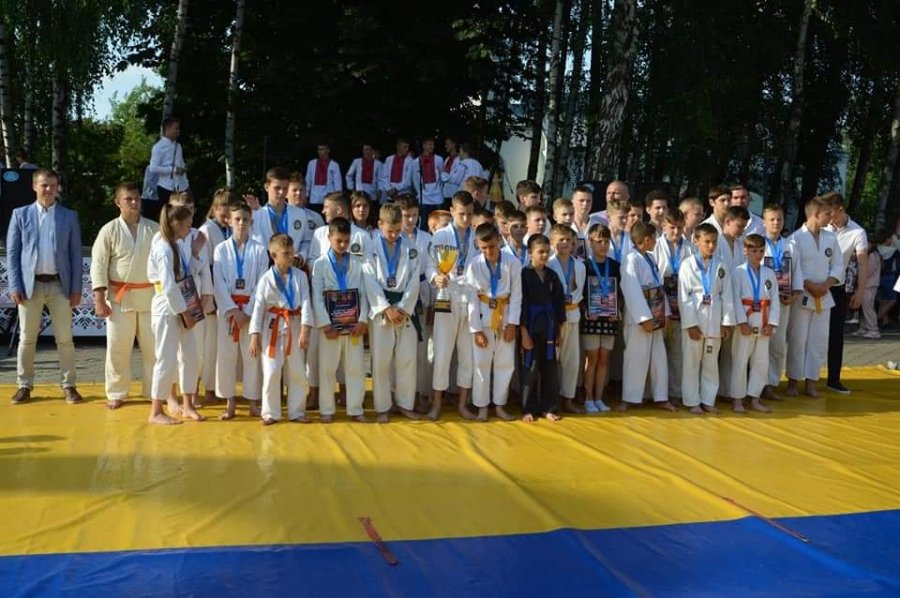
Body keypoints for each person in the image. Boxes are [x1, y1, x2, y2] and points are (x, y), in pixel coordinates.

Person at [7, 169, 83, 405]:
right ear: (34, 187)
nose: (49, 189)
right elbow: (12, 254)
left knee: (65, 339)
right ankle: (24, 385)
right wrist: (15, 285)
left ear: (58, 187)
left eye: (52, 185)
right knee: (27, 339)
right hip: (30, 286)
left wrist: (76, 289)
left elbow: (75, 255)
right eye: (44, 185)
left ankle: (69, 385)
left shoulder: (69, 216)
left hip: (60, 285)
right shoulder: (20, 215)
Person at [90, 182, 156, 409]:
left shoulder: (154, 229)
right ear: (118, 202)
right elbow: (99, 265)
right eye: (128, 199)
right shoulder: (109, 230)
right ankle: (117, 392)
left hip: (150, 296)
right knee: (118, 348)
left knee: (154, 349)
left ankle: (154, 391)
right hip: (119, 297)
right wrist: (99, 298)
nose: (134, 202)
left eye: (137, 198)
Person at [146, 204, 205, 424]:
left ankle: (188, 404)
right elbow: (169, 286)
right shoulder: (163, 248)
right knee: (166, 358)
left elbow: (187, 272)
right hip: (167, 306)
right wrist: (184, 313)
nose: (190, 229)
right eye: (187, 225)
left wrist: (196, 253)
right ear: (176, 224)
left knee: (190, 355)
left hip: (183, 300)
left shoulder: (177, 245)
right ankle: (156, 411)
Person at [363, 203, 421, 422]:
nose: (395, 235)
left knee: (407, 359)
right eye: (390, 231)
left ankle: (405, 404)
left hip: (405, 310)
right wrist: (386, 308)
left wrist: (404, 308)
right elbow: (368, 278)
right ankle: (383, 407)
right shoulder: (370, 248)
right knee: (381, 361)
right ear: (380, 224)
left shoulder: (410, 247)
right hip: (382, 312)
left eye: (398, 230)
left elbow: (414, 280)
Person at [249, 233, 314, 424]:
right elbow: (258, 308)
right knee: (271, 370)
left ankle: (297, 411)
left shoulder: (300, 276)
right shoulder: (265, 279)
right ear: (273, 255)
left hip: (294, 324)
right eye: (286, 253)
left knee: (297, 371)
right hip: (273, 326)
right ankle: (270, 413)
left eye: (292, 253)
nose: (291, 257)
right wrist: (254, 335)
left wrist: (305, 330)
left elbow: (306, 303)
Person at [214, 202, 269, 420]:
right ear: (228, 220)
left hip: (250, 312)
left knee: (252, 356)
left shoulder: (259, 250)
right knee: (226, 356)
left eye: (245, 219)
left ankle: (253, 403)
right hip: (228, 313)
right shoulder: (220, 249)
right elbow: (218, 282)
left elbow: (262, 284)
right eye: (237, 219)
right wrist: (232, 310)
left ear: (251, 222)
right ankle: (229, 404)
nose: (241, 223)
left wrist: (248, 312)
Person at [427, 191, 478, 420]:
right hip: (446, 295)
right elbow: (429, 265)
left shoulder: (477, 236)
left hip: (470, 298)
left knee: (467, 355)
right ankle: (436, 403)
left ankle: (462, 404)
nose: (465, 219)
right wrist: (434, 277)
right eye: (461, 214)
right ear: (451, 211)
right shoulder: (441, 236)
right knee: (442, 352)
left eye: (469, 214)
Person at [312, 217, 369, 422]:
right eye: (339, 241)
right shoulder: (319, 264)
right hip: (331, 326)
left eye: (346, 241)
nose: (343, 245)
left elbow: (363, 293)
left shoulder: (357, 262)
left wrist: (363, 319)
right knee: (327, 368)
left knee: (355, 368)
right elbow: (317, 296)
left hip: (353, 324)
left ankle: (356, 409)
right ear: (329, 237)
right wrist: (325, 324)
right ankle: (327, 409)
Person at [786, 197, 843, 398]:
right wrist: (809, 285)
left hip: (824, 295)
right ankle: (793, 382)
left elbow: (838, 265)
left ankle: (811, 382)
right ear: (815, 215)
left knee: (818, 341)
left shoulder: (831, 238)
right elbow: (794, 268)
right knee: (797, 340)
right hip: (803, 294)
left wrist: (826, 285)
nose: (831, 216)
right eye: (827, 213)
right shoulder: (795, 239)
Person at [466, 223, 522, 421]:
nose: (488, 251)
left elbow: (517, 295)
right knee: (481, 364)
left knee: (505, 364)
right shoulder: (474, 265)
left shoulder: (513, 263)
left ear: (499, 240)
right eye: (483, 247)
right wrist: (476, 330)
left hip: (505, 316)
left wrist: (512, 324)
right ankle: (482, 407)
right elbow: (471, 299)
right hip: (483, 316)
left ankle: (499, 406)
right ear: (477, 245)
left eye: (492, 246)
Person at [678, 223, 735, 414]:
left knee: (711, 362)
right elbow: (684, 297)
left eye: (714, 242)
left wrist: (727, 322)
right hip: (695, 317)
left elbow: (727, 295)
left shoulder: (721, 265)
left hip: (714, 319)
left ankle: (708, 399)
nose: (711, 246)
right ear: (696, 241)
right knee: (691, 362)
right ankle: (692, 401)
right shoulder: (687, 265)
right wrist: (690, 324)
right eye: (707, 242)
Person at [619, 221, 674, 411]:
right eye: (654, 238)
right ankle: (630, 398)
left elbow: (658, 286)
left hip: (656, 311)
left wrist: (665, 313)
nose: (656, 242)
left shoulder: (650, 258)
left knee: (659, 358)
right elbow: (631, 289)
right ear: (647, 239)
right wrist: (644, 318)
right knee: (635, 357)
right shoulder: (630, 259)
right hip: (639, 318)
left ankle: (661, 397)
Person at [822, 192, 867, 394]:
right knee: (810, 335)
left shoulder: (857, 232)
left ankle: (833, 379)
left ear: (841, 209)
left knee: (836, 335)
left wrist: (860, 291)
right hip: (814, 286)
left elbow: (863, 263)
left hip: (837, 289)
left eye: (830, 212)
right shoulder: (822, 226)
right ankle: (803, 378)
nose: (828, 216)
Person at [730, 234, 779, 413]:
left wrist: (772, 323)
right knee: (740, 361)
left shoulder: (769, 273)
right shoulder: (738, 273)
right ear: (745, 251)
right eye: (754, 251)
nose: (758, 255)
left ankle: (755, 398)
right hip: (746, 320)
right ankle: (737, 399)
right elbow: (735, 300)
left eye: (761, 251)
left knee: (761, 362)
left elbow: (775, 300)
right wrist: (741, 322)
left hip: (764, 320)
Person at [519, 234, 565, 422]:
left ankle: (548, 407)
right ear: (530, 253)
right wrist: (523, 332)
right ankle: (528, 408)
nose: (544, 255)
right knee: (530, 369)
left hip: (549, 327)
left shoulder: (552, 276)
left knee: (550, 370)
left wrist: (559, 330)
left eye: (547, 252)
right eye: (540, 252)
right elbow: (521, 304)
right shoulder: (523, 275)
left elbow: (559, 304)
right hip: (530, 327)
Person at [761, 203, 803, 400]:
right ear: (764, 222)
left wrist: (795, 294)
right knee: (761, 345)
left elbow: (797, 272)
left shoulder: (790, 246)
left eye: (779, 219)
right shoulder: (756, 244)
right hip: (762, 303)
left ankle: (771, 383)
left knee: (777, 345)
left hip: (783, 302)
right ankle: (758, 385)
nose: (776, 223)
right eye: (772, 219)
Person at [653, 208, 693, 403]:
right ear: (663, 226)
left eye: (679, 227)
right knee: (658, 352)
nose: (676, 231)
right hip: (660, 305)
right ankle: (655, 393)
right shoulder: (655, 247)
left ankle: (675, 393)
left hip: (682, 306)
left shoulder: (691, 249)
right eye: (672, 227)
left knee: (678, 352)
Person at [197, 189, 234, 404]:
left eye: (230, 209)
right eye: (223, 209)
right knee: (207, 347)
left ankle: (215, 389)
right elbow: (205, 268)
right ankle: (202, 389)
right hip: (212, 296)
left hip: (228, 295)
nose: (227, 214)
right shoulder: (206, 231)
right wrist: (209, 298)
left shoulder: (229, 230)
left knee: (219, 349)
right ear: (215, 208)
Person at [580, 224, 619, 412]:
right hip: (592, 318)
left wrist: (617, 310)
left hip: (609, 318)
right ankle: (588, 398)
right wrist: (585, 310)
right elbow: (580, 293)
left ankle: (599, 398)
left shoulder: (615, 266)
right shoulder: (584, 265)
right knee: (592, 359)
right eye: (598, 241)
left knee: (604, 359)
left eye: (606, 241)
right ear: (590, 242)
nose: (603, 245)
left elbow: (619, 292)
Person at [547, 224, 585, 413]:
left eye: (568, 240)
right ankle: (550, 401)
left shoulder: (579, 265)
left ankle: (568, 399)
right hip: (554, 317)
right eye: (560, 239)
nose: (565, 243)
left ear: (573, 243)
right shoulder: (548, 264)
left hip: (573, 314)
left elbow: (580, 292)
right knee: (552, 360)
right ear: (552, 242)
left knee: (572, 361)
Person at [250, 167, 314, 267]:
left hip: (292, 268)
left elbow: (306, 241)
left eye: (285, 188)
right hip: (265, 269)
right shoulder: (256, 216)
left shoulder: (300, 214)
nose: (281, 192)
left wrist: (300, 256)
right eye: (277, 188)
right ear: (267, 187)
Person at [146, 116, 188, 221]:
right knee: (167, 217)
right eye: (175, 128)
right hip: (165, 187)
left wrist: (185, 181)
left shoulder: (178, 146)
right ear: (168, 129)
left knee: (180, 217)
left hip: (180, 187)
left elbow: (181, 163)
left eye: (178, 129)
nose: (177, 131)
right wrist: (173, 170)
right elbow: (153, 168)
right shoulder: (158, 147)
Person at [410, 137, 445, 227]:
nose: (432, 147)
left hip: (437, 195)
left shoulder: (439, 159)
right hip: (424, 196)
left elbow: (442, 175)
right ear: (424, 145)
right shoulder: (416, 162)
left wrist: (439, 189)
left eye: (433, 144)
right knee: (424, 222)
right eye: (429, 144)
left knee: (438, 222)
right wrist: (420, 192)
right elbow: (415, 179)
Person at [855, 236, 882, 339]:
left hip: (869, 285)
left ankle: (873, 329)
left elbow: (867, 272)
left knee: (868, 307)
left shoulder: (872, 255)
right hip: (866, 285)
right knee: (864, 307)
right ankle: (864, 328)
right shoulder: (870, 255)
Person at [304, 141, 343, 209]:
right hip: (314, 198)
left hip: (329, 198)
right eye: (318, 149)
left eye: (322, 149)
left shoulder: (334, 165)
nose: (319, 152)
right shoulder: (312, 163)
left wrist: (338, 198)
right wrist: (306, 195)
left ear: (328, 150)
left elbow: (338, 182)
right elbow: (308, 180)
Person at [440, 136, 464, 204]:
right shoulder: (447, 159)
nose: (445, 146)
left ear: (453, 144)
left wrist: (445, 176)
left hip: (454, 194)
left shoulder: (459, 159)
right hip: (445, 194)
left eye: (447, 144)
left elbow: (457, 178)